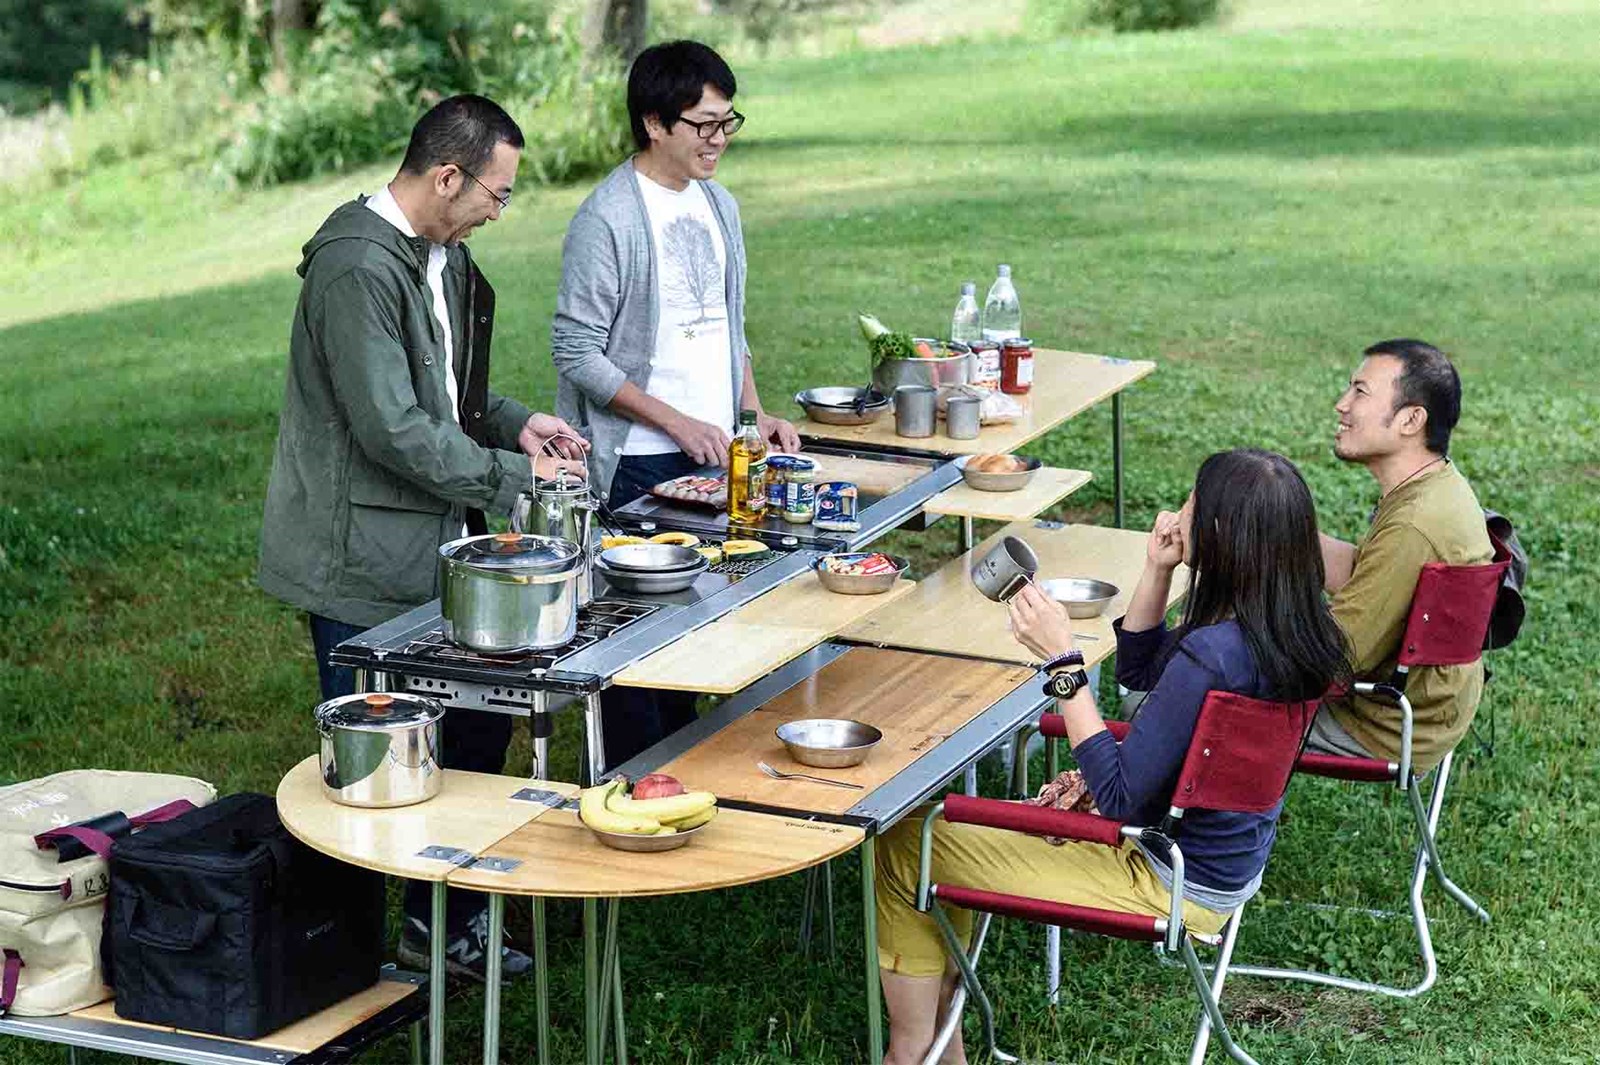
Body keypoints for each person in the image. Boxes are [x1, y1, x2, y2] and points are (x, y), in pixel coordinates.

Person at [873, 450, 1348, 1065]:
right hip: (1223, 866)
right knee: (939, 841)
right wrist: (1157, 567)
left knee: (912, 842)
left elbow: (1121, 798)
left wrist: (1063, 665)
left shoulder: (1217, 653)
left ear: (1223, 535)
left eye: (1190, 505)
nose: (1176, 515)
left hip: (1163, 876)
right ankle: (947, 1048)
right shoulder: (1288, 631)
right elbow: (1142, 669)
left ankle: (913, 1049)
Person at [258, 93, 585, 980]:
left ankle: (445, 922)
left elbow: (447, 397)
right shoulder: (357, 267)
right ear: (447, 176)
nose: (497, 209)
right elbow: (392, 428)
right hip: (360, 561)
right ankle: (344, 960)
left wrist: (515, 424)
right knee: (376, 763)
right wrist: (517, 482)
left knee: (473, 733)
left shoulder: (440, 255)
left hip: (433, 544)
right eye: (498, 193)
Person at [551, 39, 800, 768]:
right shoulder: (608, 220)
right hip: (637, 461)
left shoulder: (720, 204)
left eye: (728, 122)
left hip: (717, 454)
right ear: (655, 123)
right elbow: (577, 351)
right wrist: (676, 422)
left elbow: (731, 328)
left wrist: (754, 416)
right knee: (637, 647)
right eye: (704, 125)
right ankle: (631, 783)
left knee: (698, 630)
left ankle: (683, 776)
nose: (719, 140)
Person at [1306, 339, 1493, 771]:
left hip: (1381, 722)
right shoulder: (1435, 486)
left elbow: (1333, 658)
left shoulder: (1414, 524)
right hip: (1430, 707)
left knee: (1171, 701)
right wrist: (1276, 533)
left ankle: (1191, 838)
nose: (1341, 405)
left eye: (1360, 392)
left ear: (1411, 419)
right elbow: (1371, 575)